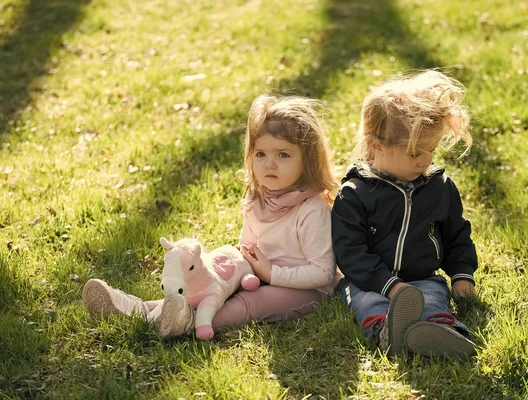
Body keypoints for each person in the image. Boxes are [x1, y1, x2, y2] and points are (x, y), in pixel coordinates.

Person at [83, 94, 339, 338]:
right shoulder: (258, 198)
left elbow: (323, 273)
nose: (269, 164)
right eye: (261, 154)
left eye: (283, 154)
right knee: (211, 281)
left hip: (306, 290)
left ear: (308, 160)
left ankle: (185, 321)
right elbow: (247, 245)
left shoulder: (310, 209)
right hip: (259, 275)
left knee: (248, 303)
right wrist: (236, 268)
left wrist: (271, 274)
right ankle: (139, 307)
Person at [332, 70, 478, 359]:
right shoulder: (355, 193)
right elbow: (350, 252)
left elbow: (456, 233)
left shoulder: (439, 186)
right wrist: (391, 286)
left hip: (421, 278)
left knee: (432, 299)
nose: (426, 161)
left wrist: (463, 275)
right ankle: (386, 332)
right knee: (369, 305)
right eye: (415, 154)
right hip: (370, 283)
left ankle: (443, 332)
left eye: (431, 150)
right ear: (376, 145)